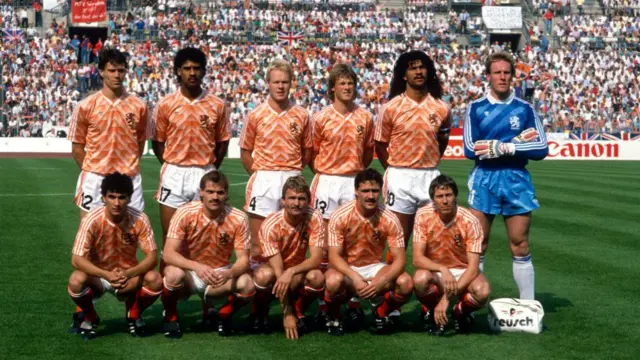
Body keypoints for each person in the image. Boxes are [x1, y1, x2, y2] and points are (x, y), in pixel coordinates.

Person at [151, 47, 231, 322]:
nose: (192, 72)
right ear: (178, 71)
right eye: (187, 68)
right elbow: (157, 144)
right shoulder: (165, 104)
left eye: (197, 67)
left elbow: (222, 144)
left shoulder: (217, 105)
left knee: (205, 242)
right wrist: (175, 164)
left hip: (204, 172)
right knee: (171, 241)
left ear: (203, 71)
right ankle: (169, 303)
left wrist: (207, 170)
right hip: (174, 173)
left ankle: (207, 300)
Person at [463, 51, 548, 300]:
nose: (502, 77)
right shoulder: (476, 108)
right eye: (497, 72)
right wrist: (515, 144)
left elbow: (541, 148)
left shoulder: (525, 109)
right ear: (488, 76)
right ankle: (473, 302)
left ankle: (528, 305)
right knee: (478, 245)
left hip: (516, 178)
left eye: (507, 72)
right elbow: (471, 148)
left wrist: (505, 147)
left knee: (520, 244)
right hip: (484, 178)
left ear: (513, 76)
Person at [309, 63, 374, 323]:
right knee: (325, 245)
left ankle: (354, 300)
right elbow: (311, 154)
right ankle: (327, 301)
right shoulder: (320, 117)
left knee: (355, 244)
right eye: (342, 83)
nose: (347, 87)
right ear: (332, 88)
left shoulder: (365, 117)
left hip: (352, 181)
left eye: (351, 83)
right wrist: (328, 171)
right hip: (326, 181)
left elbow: (368, 152)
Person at [374, 50, 451, 264]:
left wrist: (432, 160)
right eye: (412, 67)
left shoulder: (442, 107)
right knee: (398, 238)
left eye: (422, 67)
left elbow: (443, 140)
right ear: (403, 75)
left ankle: (429, 288)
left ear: (429, 71)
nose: (418, 71)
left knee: (433, 239)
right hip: (400, 177)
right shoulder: (391, 107)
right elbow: (380, 144)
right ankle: (388, 287)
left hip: (429, 176)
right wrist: (392, 168)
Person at [67, 173, 162, 340]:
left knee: (155, 279)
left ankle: (134, 315)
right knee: (76, 280)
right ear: (103, 197)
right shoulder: (92, 220)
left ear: (130, 198)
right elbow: (76, 259)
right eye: (111, 197)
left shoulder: (139, 219)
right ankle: (90, 317)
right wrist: (106, 275)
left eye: (122, 197)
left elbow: (152, 257)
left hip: (128, 277)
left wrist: (129, 273)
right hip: (100, 277)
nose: (117, 203)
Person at [161, 171, 253, 338]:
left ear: (226, 194)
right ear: (201, 192)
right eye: (210, 192)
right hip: (190, 274)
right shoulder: (185, 212)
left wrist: (229, 273)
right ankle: (171, 316)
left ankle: (224, 315)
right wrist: (196, 266)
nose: (215, 197)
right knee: (172, 274)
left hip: (219, 275)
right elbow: (168, 253)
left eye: (220, 192)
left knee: (247, 283)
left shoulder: (239, 218)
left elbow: (243, 259)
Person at [238, 59, 312, 267]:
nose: (280, 86)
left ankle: (287, 285)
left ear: (291, 84)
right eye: (276, 82)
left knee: (293, 241)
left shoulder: (302, 115)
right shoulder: (255, 115)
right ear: (268, 84)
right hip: (264, 178)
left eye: (285, 82)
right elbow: (245, 151)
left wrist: (293, 172)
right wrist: (258, 175)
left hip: (292, 177)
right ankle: (258, 289)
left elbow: (307, 150)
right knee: (258, 244)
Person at [323, 169, 413, 336]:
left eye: (375, 191)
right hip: (347, 268)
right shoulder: (340, 216)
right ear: (356, 191)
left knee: (406, 282)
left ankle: (381, 313)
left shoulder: (390, 218)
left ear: (381, 191)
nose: (370, 196)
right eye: (365, 191)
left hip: (374, 267)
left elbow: (400, 260)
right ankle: (334, 317)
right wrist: (355, 277)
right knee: (333, 281)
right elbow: (334, 256)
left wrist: (382, 281)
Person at [68, 48, 149, 220]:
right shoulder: (85, 105)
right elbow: (77, 147)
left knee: (130, 235)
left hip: (129, 177)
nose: (117, 75)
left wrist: (128, 166)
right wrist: (92, 171)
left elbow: (140, 142)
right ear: (101, 72)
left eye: (121, 70)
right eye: (112, 70)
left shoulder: (139, 106)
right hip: (95, 179)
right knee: (89, 232)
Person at [412, 175, 491, 335]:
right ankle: (433, 311)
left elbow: (474, 267)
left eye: (449, 195)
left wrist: (446, 300)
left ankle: (459, 312)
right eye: (440, 196)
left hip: (463, 270)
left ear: (455, 196)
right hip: (437, 271)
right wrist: (442, 269)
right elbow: (417, 259)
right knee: (420, 280)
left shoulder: (470, 221)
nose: (445, 200)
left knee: (483, 291)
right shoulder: (423, 215)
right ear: (433, 200)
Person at [252, 176, 325, 340]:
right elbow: (278, 272)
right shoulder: (271, 224)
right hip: (273, 271)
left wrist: (291, 271)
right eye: (292, 198)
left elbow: (316, 259)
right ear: (283, 201)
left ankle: (299, 309)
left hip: (295, 270)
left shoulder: (314, 217)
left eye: (301, 198)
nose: (296, 203)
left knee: (317, 277)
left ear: (308, 201)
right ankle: (260, 312)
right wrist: (287, 313)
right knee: (264, 276)